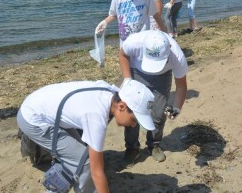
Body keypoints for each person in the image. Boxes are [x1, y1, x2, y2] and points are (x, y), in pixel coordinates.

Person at [17, 79, 155, 192]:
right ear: (122, 106)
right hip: (33, 118)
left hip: (42, 106)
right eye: (135, 119)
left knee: (80, 156)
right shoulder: (96, 116)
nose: (133, 125)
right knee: (84, 163)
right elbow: (96, 171)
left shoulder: (112, 93)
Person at [119, 30, 188, 165]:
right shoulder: (134, 42)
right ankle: (132, 148)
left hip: (162, 77)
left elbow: (181, 86)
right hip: (137, 72)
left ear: (169, 50)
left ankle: (153, 145)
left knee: (158, 112)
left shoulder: (177, 56)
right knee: (133, 112)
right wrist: (127, 79)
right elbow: (123, 54)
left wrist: (177, 108)